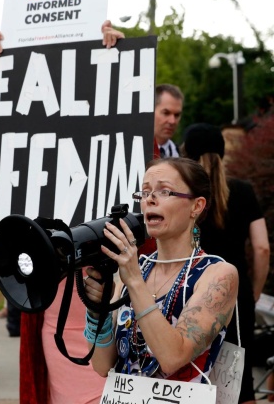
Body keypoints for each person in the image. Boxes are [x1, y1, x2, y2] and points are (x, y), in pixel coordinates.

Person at [0, 30, 107, 403]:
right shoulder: (27, 167)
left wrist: (113, 60)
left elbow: (142, 156)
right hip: (53, 327)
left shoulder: (111, 157)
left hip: (107, 331)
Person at [84, 157, 238, 385]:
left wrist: (134, 281)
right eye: (145, 193)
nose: (150, 200)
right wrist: (97, 312)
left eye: (165, 192)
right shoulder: (139, 269)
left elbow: (172, 357)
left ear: (196, 206)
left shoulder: (217, 274)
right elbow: (101, 365)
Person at [181, 122, 270, 404]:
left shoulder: (183, 197)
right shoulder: (243, 190)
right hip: (236, 297)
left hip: (190, 295)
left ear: (187, 154)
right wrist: (252, 292)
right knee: (239, 381)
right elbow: (262, 247)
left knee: (191, 375)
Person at [101, 21, 184, 159]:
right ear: (150, 110)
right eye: (166, 112)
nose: (172, 121)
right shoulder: (126, 150)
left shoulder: (182, 157)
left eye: (177, 115)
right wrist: (120, 48)